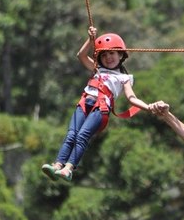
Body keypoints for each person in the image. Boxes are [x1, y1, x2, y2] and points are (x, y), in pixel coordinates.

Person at [41, 26, 153, 182]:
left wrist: (147, 107)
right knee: (71, 135)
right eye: (104, 54)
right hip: (84, 103)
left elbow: (132, 98)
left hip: (100, 108)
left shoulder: (124, 78)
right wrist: (90, 39)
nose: (108, 57)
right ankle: (57, 165)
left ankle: (68, 168)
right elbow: (81, 55)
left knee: (81, 136)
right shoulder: (97, 68)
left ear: (121, 54)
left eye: (112, 53)